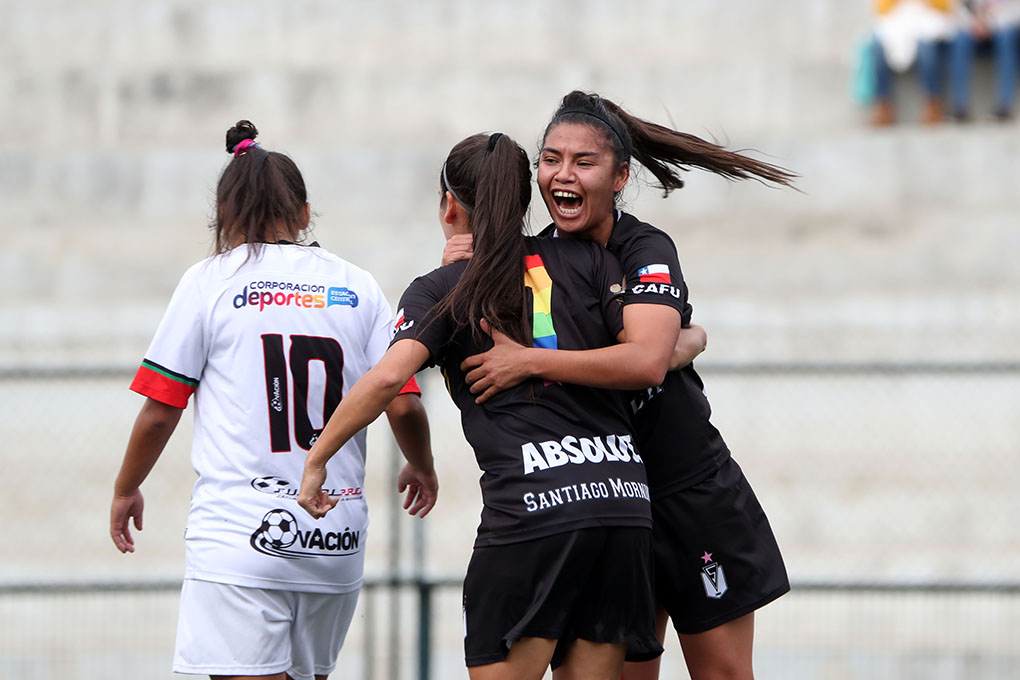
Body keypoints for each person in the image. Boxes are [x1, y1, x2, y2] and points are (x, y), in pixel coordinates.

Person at [298, 131, 697, 680]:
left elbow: (389, 378)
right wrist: (699, 339)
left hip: (533, 512)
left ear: (448, 205)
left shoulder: (444, 287)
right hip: (622, 507)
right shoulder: (589, 260)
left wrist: (317, 459)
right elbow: (659, 346)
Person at [454, 92, 794, 680]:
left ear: (620, 176)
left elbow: (644, 363)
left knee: (723, 674)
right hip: (607, 501)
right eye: (550, 158)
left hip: (687, 490)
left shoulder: (644, 248)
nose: (562, 175)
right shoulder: (537, 257)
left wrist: (533, 361)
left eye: (583, 162)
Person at [109, 120, 436, 680]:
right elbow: (402, 402)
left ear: (224, 217)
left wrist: (126, 487)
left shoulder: (209, 282)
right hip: (335, 535)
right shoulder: (357, 286)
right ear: (305, 214)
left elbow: (162, 408)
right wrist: (422, 466)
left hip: (241, 535)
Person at [950, 0, 1020, 120]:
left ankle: (1005, 105)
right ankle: (960, 106)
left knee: (1006, 38)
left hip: (1004, 28)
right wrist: (974, 24)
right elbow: (958, 9)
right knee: (960, 40)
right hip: (975, 29)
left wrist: (990, 23)